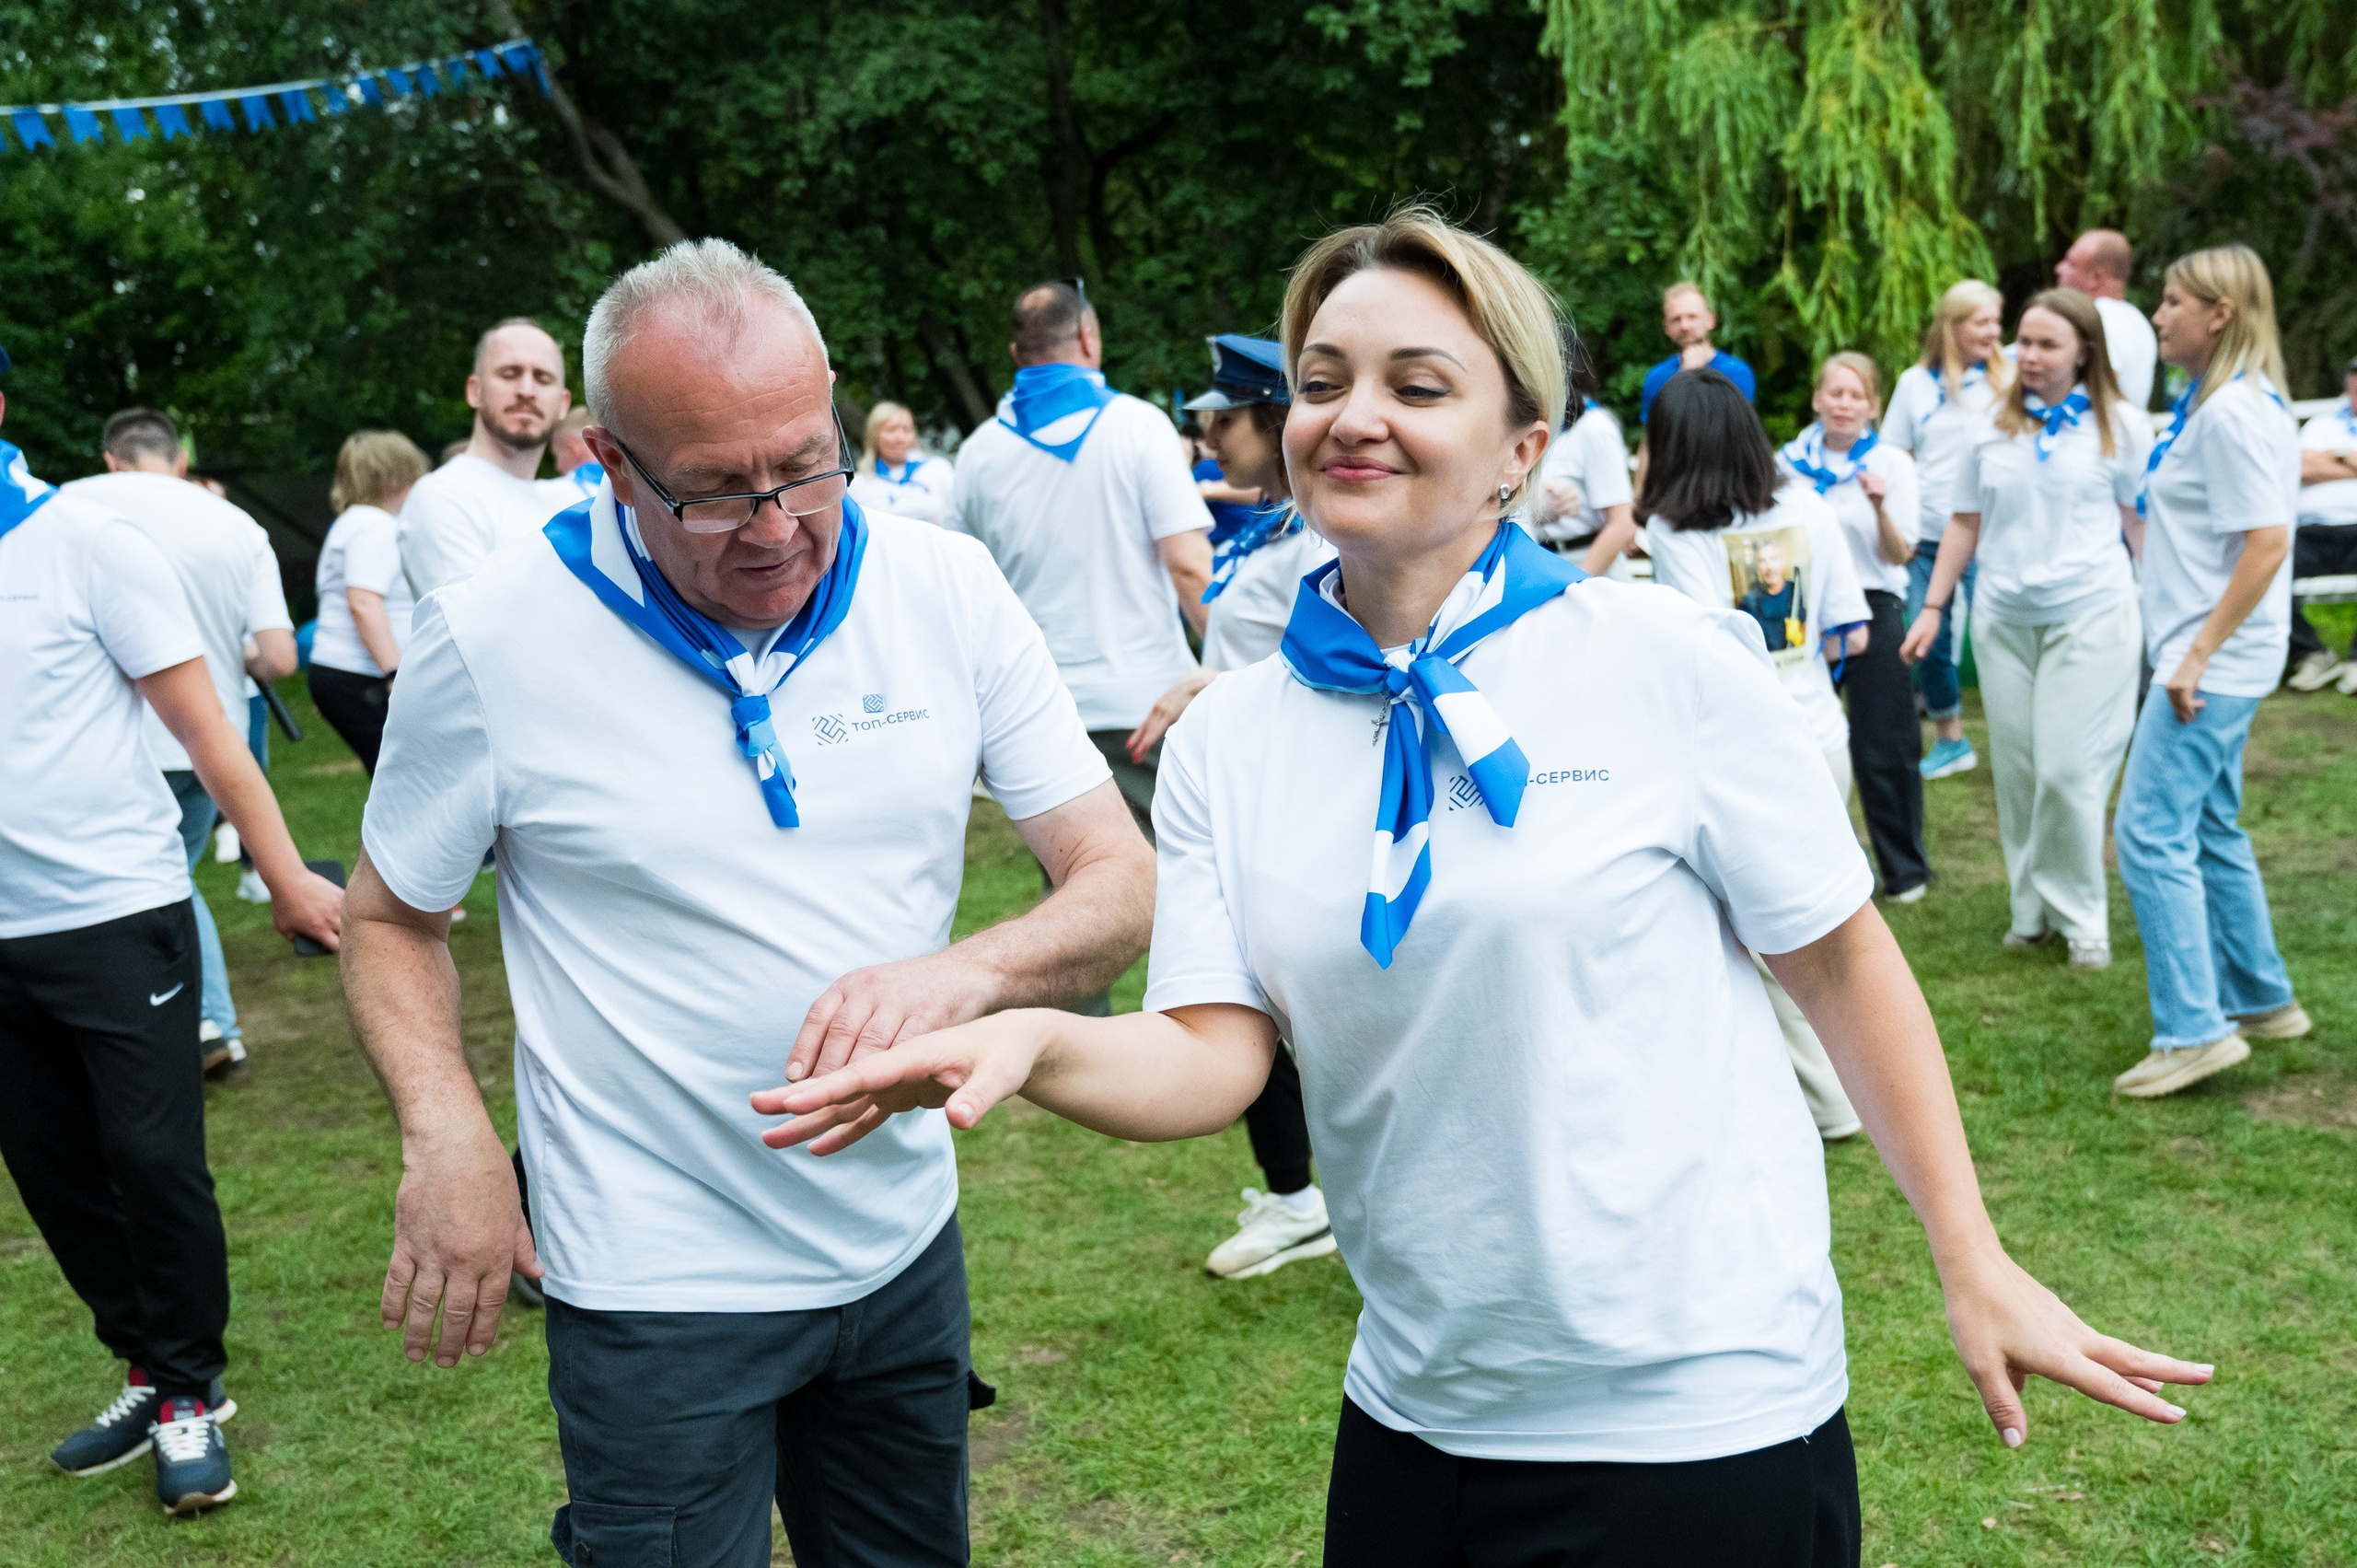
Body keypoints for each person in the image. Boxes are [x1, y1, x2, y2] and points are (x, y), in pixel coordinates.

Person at [763, 210, 2213, 1568]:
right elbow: (1213, 1051)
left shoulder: (1663, 658)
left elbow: (1840, 966)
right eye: (1324, 377)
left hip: (1702, 1421)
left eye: (1419, 381)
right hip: (1415, 1418)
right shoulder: (1231, 739)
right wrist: (1031, 1041)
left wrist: (1975, 1255)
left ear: (1523, 443)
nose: (1355, 412)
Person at [341, 239, 1153, 1568]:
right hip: (653, 1287)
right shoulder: (493, 634)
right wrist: (450, 1136)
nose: (778, 527)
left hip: (901, 1253)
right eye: (715, 492)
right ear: (604, 457)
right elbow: (388, 917)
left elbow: (1118, 882)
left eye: (806, 466)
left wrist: (963, 976)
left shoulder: (943, 586)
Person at [0, 359, 343, 1516]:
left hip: (118, 911)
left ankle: (193, 1389)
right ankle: (146, 1367)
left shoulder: (84, 542)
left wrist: (287, 873)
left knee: (150, 1161)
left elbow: (212, 729)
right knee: (49, 1173)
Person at [1129, 332, 1338, 1280]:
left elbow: (1332, 673)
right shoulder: (1277, 528)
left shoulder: (1325, 537)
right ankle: (1297, 1192)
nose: (1207, 429)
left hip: (1300, 802)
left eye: (1223, 412)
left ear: (1274, 415)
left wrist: (1209, 690)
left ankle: (1309, 1197)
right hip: (1255, 796)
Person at [1643, 368, 1872, 1141]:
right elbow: (1852, 629)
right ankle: (1835, 1088)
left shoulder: (1676, 536)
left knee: (1762, 936)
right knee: (1820, 923)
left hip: (1744, 753)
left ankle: (1830, 1100)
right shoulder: (1809, 506)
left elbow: (1701, 654)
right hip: (1821, 733)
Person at [2110, 243, 2311, 1099]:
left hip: (2210, 662)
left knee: (2147, 832)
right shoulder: (2224, 402)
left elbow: (2267, 544)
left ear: (2219, 314)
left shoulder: (2231, 414)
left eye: (2172, 303)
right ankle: (2263, 997)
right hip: (2213, 654)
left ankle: (2194, 1028)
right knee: (2210, 825)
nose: (2158, 317)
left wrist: (2193, 656)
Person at [1900, 288, 2151, 971]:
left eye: (2048, 345)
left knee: (2068, 770)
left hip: (2091, 614)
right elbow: (1963, 521)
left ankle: (2083, 918)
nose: (2029, 356)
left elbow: (2139, 523)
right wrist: (1933, 607)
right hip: (2004, 621)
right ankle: (2031, 911)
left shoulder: (2123, 426)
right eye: (2025, 342)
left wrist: (2168, 615)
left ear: (2084, 353)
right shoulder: (1985, 424)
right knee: (2018, 774)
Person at [61, 407, 296, 1079]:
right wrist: (227, 656)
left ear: (112, 457)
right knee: (171, 876)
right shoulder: (234, 524)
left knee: (138, 887)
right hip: (207, 740)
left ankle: (196, 1025)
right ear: (180, 460)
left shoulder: (69, 507)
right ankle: (202, 1024)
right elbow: (278, 657)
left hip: (109, 739)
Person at [946, 280, 1213, 828]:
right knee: (1166, 891)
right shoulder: (1138, 426)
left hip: (1036, 717)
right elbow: (1188, 564)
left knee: (1083, 888)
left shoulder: (976, 453)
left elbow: (958, 589)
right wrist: (1234, 670)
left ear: (1017, 355)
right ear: (1089, 337)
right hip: (1143, 705)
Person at [1779, 354, 1929, 902]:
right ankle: (1816, 858)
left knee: (1883, 739)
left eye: (1856, 395)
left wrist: (1880, 505)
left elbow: (1900, 555)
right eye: (1834, 393)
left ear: (1873, 406)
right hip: (1804, 606)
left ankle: (1904, 868)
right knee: (1801, 731)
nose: (1844, 404)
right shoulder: (1788, 464)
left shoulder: (1892, 464)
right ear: (1817, 399)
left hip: (1872, 603)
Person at [1884, 280, 2012, 782]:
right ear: (1952, 326)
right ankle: (1950, 738)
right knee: (1927, 637)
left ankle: (2014, 736)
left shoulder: (2011, 380)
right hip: (1926, 539)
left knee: (1998, 634)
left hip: (1991, 536)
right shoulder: (1914, 385)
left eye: (1996, 321)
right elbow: (1897, 458)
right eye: (1981, 321)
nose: (1993, 331)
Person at [397, 317, 571, 600]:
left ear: (563, 403)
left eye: (543, 378)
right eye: (509, 374)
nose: (526, 391)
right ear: (474, 391)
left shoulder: (569, 501)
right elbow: (476, 633)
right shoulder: (443, 495)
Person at [310, 432, 432, 774]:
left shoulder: (354, 522)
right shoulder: (375, 527)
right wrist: (394, 673)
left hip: (347, 674)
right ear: (393, 476)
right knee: (407, 781)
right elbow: (363, 603)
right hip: (364, 677)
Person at [2285, 354, 2357, 692]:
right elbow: (2302, 467)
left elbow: (2316, 465)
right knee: (2265, 567)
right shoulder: (2320, 425)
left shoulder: (2322, 436)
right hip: (2312, 531)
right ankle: (2312, 654)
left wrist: (2328, 458)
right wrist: (2348, 456)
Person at [1528, 355, 1636, 577]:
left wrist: (1578, 580)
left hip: (1585, 562)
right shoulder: (1533, 425)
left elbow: (1622, 523)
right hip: (1541, 562)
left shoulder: (1594, 428)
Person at [2055, 229, 2160, 411]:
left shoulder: (2099, 318)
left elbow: (2102, 382)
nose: (2059, 268)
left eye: (2071, 263)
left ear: (2095, 278)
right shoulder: (2136, 319)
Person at [1638, 282, 1756, 424]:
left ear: (1710, 321)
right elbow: (1651, 437)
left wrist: (1690, 376)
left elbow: (1732, 431)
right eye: (1676, 319)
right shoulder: (1656, 377)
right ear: (1666, 328)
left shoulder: (1735, 372)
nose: (1684, 326)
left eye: (1692, 317)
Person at [846, 399, 956, 525]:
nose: (900, 438)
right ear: (874, 436)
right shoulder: (857, 485)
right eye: (891, 430)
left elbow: (957, 516)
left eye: (907, 430)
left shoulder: (938, 469)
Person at [537, 406, 605, 511]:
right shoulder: (632, 487)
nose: (557, 467)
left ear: (573, 447)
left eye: (556, 456)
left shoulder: (551, 493)